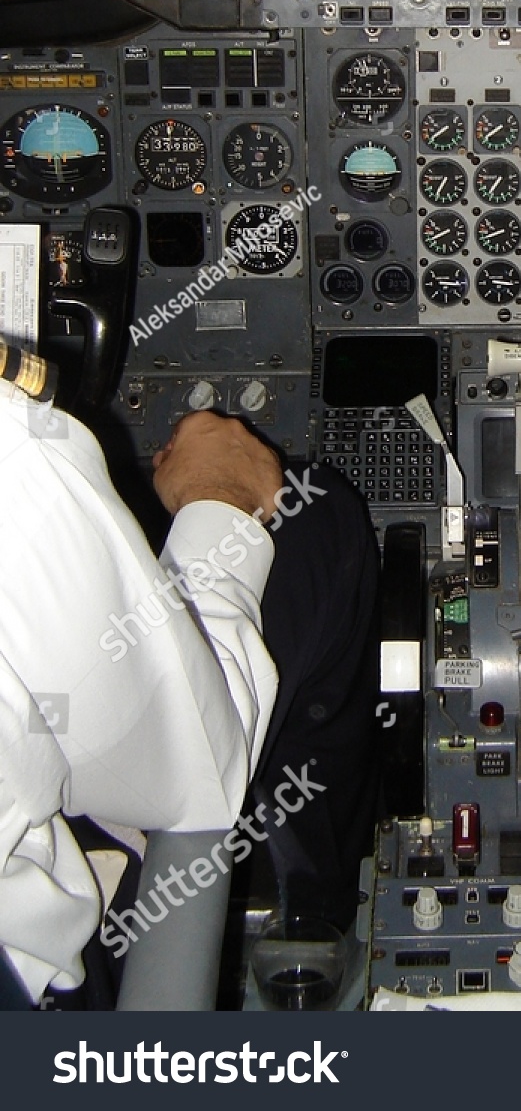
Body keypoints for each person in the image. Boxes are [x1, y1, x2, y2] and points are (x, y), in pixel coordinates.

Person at [0, 375, 378, 1007]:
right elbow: (197, 758)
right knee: (314, 515)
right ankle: (318, 911)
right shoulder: (16, 468)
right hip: (65, 976)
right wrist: (221, 500)